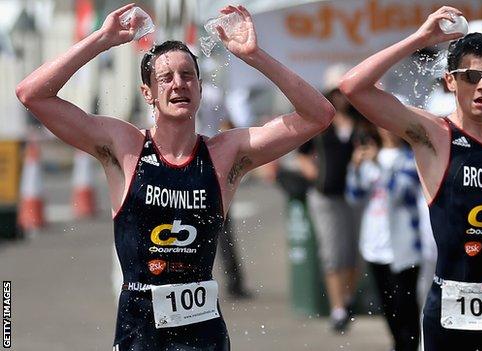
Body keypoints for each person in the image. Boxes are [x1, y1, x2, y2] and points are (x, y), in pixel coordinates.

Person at [15, 4, 334, 350]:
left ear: (199, 88)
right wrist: (101, 40)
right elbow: (32, 94)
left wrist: (255, 56)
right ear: (148, 93)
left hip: (204, 336)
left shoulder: (225, 153)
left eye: (187, 76)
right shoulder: (124, 147)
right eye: (166, 78)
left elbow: (318, 115)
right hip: (139, 334)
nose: (179, 84)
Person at [339, 6, 482, 350]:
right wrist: (420, 38)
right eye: (471, 77)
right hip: (451, 302)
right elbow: (353, 87)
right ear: (450, 81)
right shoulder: (433, 134)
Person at [297, 64, 360, 333]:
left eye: (344, 92)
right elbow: (301, 152)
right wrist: (312, 171)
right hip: (325, 194)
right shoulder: (321, 122)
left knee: (354, 253)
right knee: (333, 252)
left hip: (356, 195)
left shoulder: (361, 121)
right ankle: (338, 308)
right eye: (335, 92)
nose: (340, 98)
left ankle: (347, 299)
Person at [345, 125, 421, 351]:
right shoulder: (369, 157)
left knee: (405, 303)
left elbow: (401, 192)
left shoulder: (410, 158)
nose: (387, 129)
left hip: (404, 246)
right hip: (374, 244)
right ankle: (398, 343)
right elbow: (353, 196)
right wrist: (356, 168)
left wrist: (378, 163)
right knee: (387, 305)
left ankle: (408, 345)